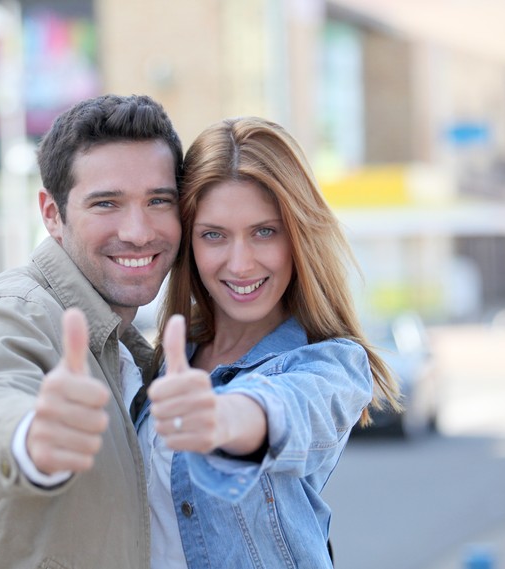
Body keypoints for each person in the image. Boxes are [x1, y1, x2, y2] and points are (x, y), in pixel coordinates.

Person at [0, 94, 183, 569]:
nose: (138, 230)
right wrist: (31, 438)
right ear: (51, 214)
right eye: (106, 203)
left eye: (158, 201)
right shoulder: (6, 314)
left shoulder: (125, 348)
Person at [133, 116, 402, 568]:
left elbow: (292, 409)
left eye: (264, 231)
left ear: (298, 236)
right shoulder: (164, 360)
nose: (240, 263)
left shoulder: (331, 364)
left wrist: (225, 417)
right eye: (214, 235)